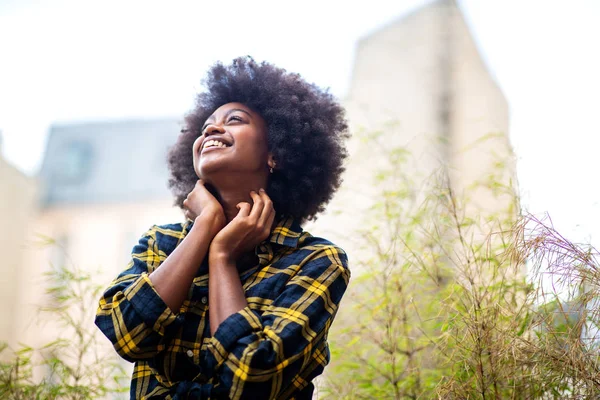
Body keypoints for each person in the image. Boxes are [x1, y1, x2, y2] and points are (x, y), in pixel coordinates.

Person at [95, 57, 350, 400]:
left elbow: (250, 377)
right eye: (206, 126)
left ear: (274, 153)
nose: (211, 130)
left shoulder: (316, 261)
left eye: (234, 120)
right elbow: (126, 334)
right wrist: (204, 228)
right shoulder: (161, 242)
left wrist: (221, 258)